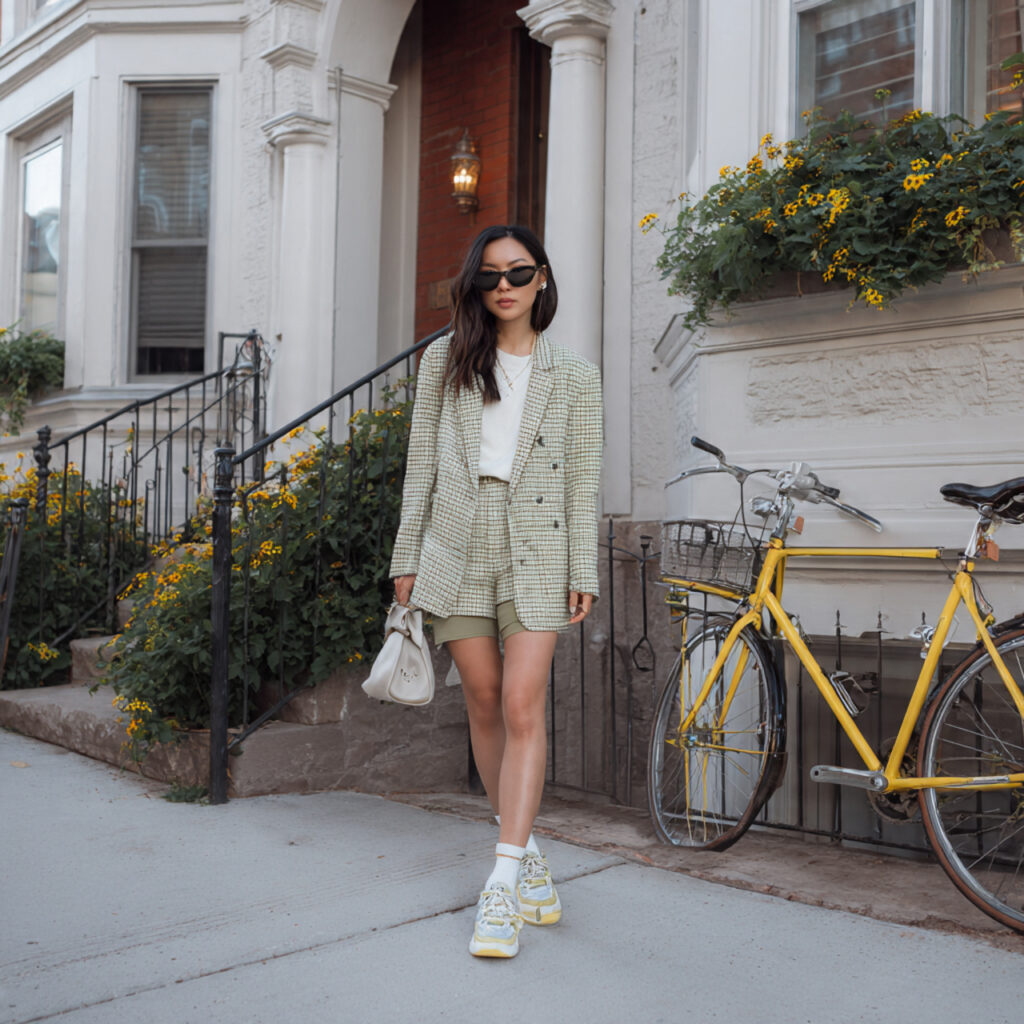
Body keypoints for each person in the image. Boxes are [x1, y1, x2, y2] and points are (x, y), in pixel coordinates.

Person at [389, 224, 603, 958]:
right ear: (476, 286)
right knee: (480, 699)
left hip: (540, 544)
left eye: (517, 272)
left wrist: (585, 567)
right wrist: (404, 555)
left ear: (542, 279)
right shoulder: (443, 361)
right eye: (489, 275)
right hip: (457, 537)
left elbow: (582, 481)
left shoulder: (574, 374)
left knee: (520, 701)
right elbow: (420, 465)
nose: (503, 285)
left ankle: (503, 883)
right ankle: (527, 845)